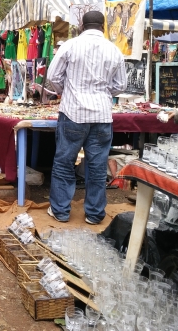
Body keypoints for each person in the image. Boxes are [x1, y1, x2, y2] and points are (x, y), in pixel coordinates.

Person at [46, 11, 127, 225]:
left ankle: (61, 211)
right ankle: (94, 213)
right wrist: (103, 93)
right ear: (103, 27)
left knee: (64, 162)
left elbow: (53, 77)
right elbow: (120, 85)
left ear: (82, 25)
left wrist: (67, 91)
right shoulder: (114, 50)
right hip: (102, 115)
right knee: (98, 166)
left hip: (73, 112)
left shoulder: (70, 46)